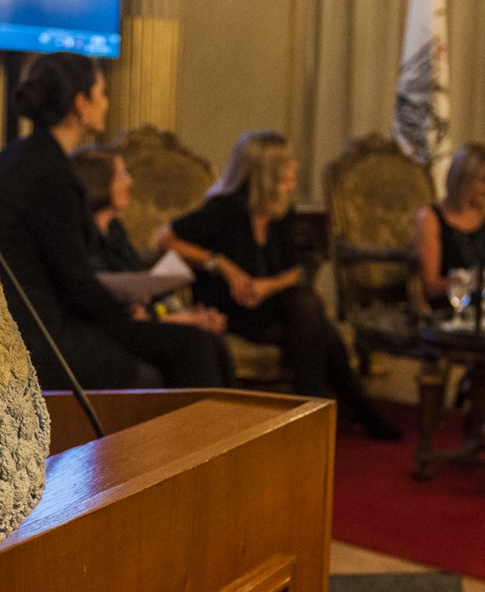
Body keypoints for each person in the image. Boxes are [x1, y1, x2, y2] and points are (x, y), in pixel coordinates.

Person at [0, 52, 229, 391]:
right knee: (194, 346)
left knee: (200, 343)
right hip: (44, 339)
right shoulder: (51, 174)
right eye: (102, 94)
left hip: (22, 324)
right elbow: (74, 280)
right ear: (81, 104)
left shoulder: (5, 161)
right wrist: (127, 319)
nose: (106, 103)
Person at [158, 130, 402, 441]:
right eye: (287, 163)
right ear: (266, 171)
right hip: (232, 308)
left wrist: (264, 287)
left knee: (306, 315)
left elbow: (293, 272)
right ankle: (342, 411)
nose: (295, 167)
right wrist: (223, 265)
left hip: (270, 305)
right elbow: (165, 239)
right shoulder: (226, 208)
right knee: (313, 320)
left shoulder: (281, 211)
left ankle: (310, 417)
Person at [71, 145, 236, 387]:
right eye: (123, 175)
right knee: (196, 344)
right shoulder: (79, 233)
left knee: (214, 342)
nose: (130, 181)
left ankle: (236, 423)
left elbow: (139, 291)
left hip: (138, 317)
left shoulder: (115, 230)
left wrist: (184, 314)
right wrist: (183, 320)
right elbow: (104, 297)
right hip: (106, 326)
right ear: (101, 184)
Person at [415, 142, 485, 438]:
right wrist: (474, 280)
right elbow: (432, 285)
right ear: (461, 178)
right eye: (481, 180)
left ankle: (483, 396)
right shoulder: (431, 218)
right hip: (448, 305)